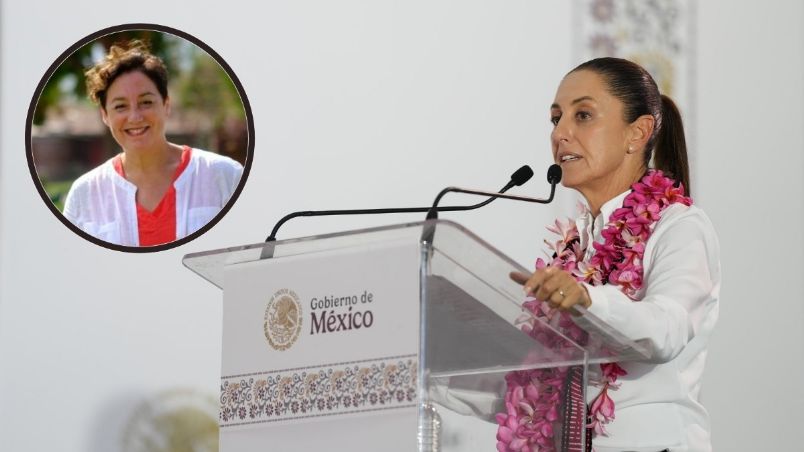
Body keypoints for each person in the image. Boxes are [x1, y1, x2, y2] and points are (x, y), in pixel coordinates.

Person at [500, 58, 720, 452]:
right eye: (555, 119)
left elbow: (665, 329)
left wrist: (587, 299)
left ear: (637, 133)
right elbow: (536, 385)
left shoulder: (680, 226)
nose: (561, 133)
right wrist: (429, 370)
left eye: (583, 115)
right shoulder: (575, 246)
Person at [62, 40, 243, 247]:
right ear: (105, 115)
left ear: (166, 105)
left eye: (146, 102)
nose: (135, 116)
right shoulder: (84, 195)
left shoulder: (224, 175)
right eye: (120, 106)